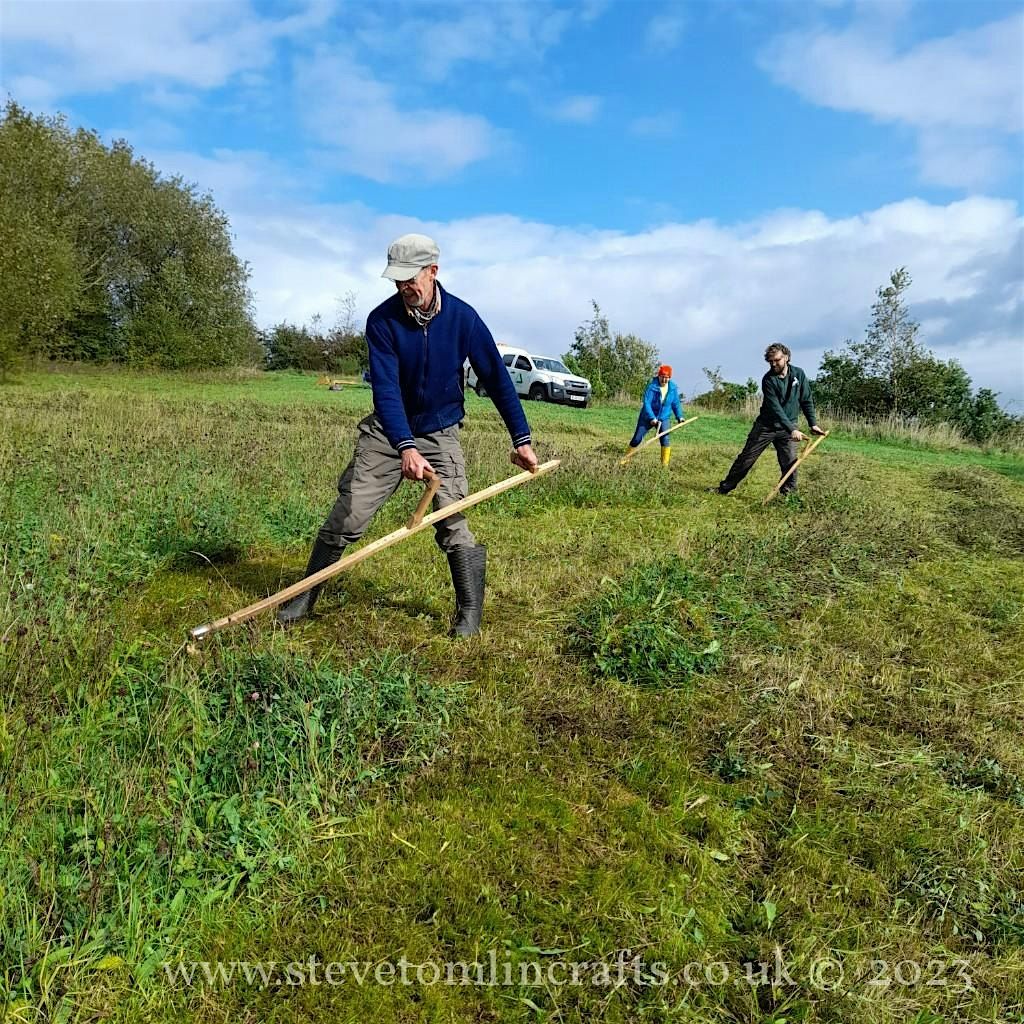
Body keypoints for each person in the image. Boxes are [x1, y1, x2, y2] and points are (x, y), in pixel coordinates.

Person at [277, 233, 539, 636]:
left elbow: (498, 380)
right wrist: (404, 447)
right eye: (396, 280)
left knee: (452, 521)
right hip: (388, 430)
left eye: (410, 277)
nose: (404, 287)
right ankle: (305, 596)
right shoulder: (381, 321)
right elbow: (385, 390)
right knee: (349, 514)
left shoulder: (463, 319)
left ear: (433, 271)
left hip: (440, 430)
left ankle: (468, 615)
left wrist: (521, 439)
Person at [714, 342, 826, 496]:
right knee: (746, 459)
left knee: (790, 462)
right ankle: (724, 488)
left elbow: (806, 400)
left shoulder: (799, 374)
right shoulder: (768, 380)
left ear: (786, 357)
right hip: (766, 426)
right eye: (770, 361)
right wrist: (792, 429)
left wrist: (813, 424)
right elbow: (776, 409)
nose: (773, 364)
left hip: (788, 427)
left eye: (777, 360)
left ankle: (788, 496)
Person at [625, 365, 686, 466]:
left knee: (665, 440)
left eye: (666, 377)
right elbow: (647, 403)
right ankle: (625, 460)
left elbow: (676, 404)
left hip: (664, 418)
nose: (664, 379)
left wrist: (680, 416)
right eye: (662, 377)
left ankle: (664, 466)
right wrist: (652, 417)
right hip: (647, 417)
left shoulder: (672, 388)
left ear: (669, 378)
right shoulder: (652, 387)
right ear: (658, 376)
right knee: (637, 439)